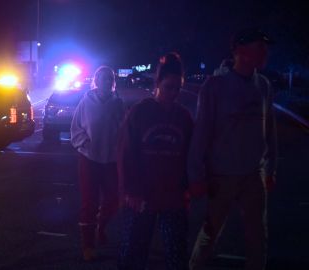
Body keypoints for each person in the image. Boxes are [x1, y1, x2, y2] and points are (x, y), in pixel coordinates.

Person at [188, 28, 277, 270]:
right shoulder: (215, 87)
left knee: (258, 235)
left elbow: (269, 131)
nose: (264, 52)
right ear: (240, 51)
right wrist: (195, 175)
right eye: (259, 47)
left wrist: (270, 169)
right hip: (222, 175)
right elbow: (202, 133)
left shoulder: (264, 86)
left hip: (253, 175)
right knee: (211, 231)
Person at [118, 52, 193, 270]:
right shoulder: (140, 112)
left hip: (173, 196)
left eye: (178, 88)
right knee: (134, 249)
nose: (173, 93)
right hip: (142, 195)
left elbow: (190, 154)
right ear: (158, 83)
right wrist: (130, 190)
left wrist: (188, 187)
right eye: (169, 87)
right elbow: (126, 153)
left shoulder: (184, 117)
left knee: (176, 251)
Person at [70, 66, 124, 261]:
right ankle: (88, 244)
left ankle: (101, 225)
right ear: (96, 81)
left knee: (113, 199)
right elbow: (76, 126)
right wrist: (83, 141)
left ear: (113, 82)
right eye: (102, 79)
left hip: (111, 160)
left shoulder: (118, 103)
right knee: (89, 202)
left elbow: (124, 128)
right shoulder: (86, 102)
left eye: (109, 79)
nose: (106, 82)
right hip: (89, 159)